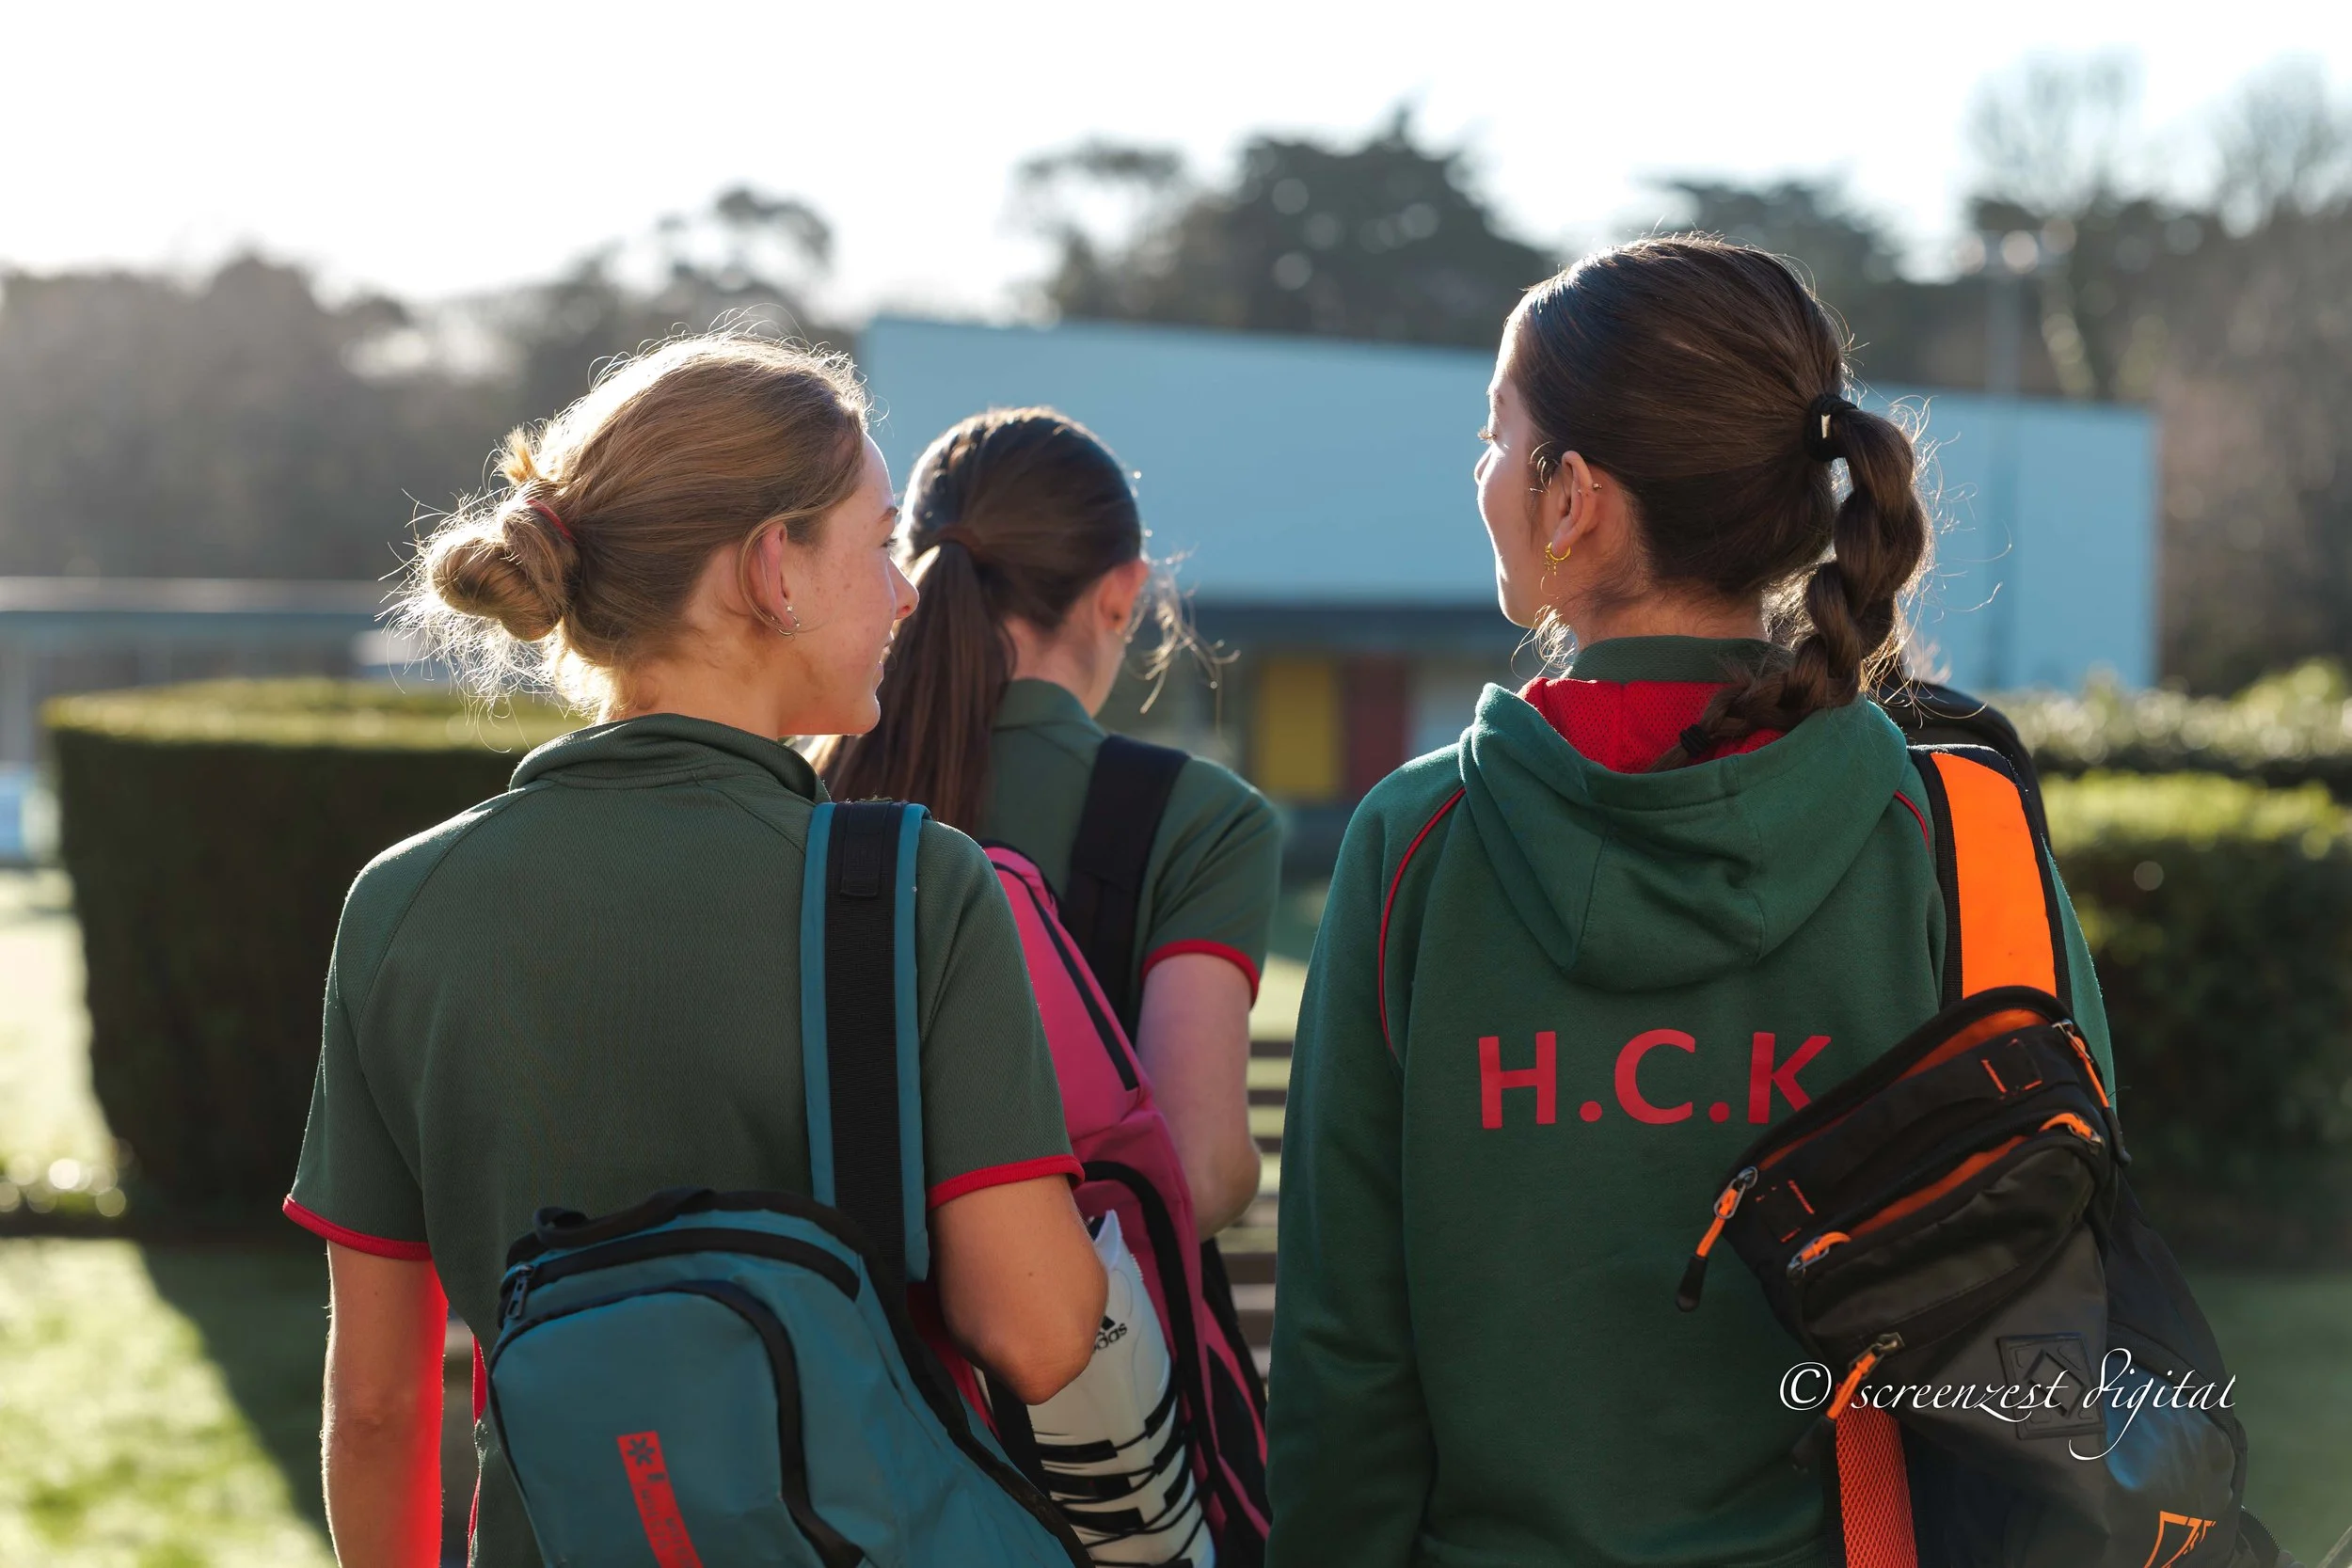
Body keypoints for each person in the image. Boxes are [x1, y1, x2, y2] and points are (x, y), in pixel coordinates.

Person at [1265, 239, 2118, 1565]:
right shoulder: (1958, 837)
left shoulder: (1415, 846)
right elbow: (2076, 1278)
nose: (1478, 472)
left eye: (1498, 434)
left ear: (1574, 502)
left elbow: (1344, 1354)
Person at [281, 337, 1107, 1568]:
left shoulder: (402, 901)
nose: (907, 591)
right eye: (880, 543)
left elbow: (380, 1404)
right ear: (774, 565)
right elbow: (1038, 1331)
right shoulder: (915, 885)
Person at [814, 406, 1280, 1241]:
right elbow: (1200, 1172)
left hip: (841, 1342)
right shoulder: (1202, 819)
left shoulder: (806, 787)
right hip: (1097, 1346)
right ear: (1119, 593)